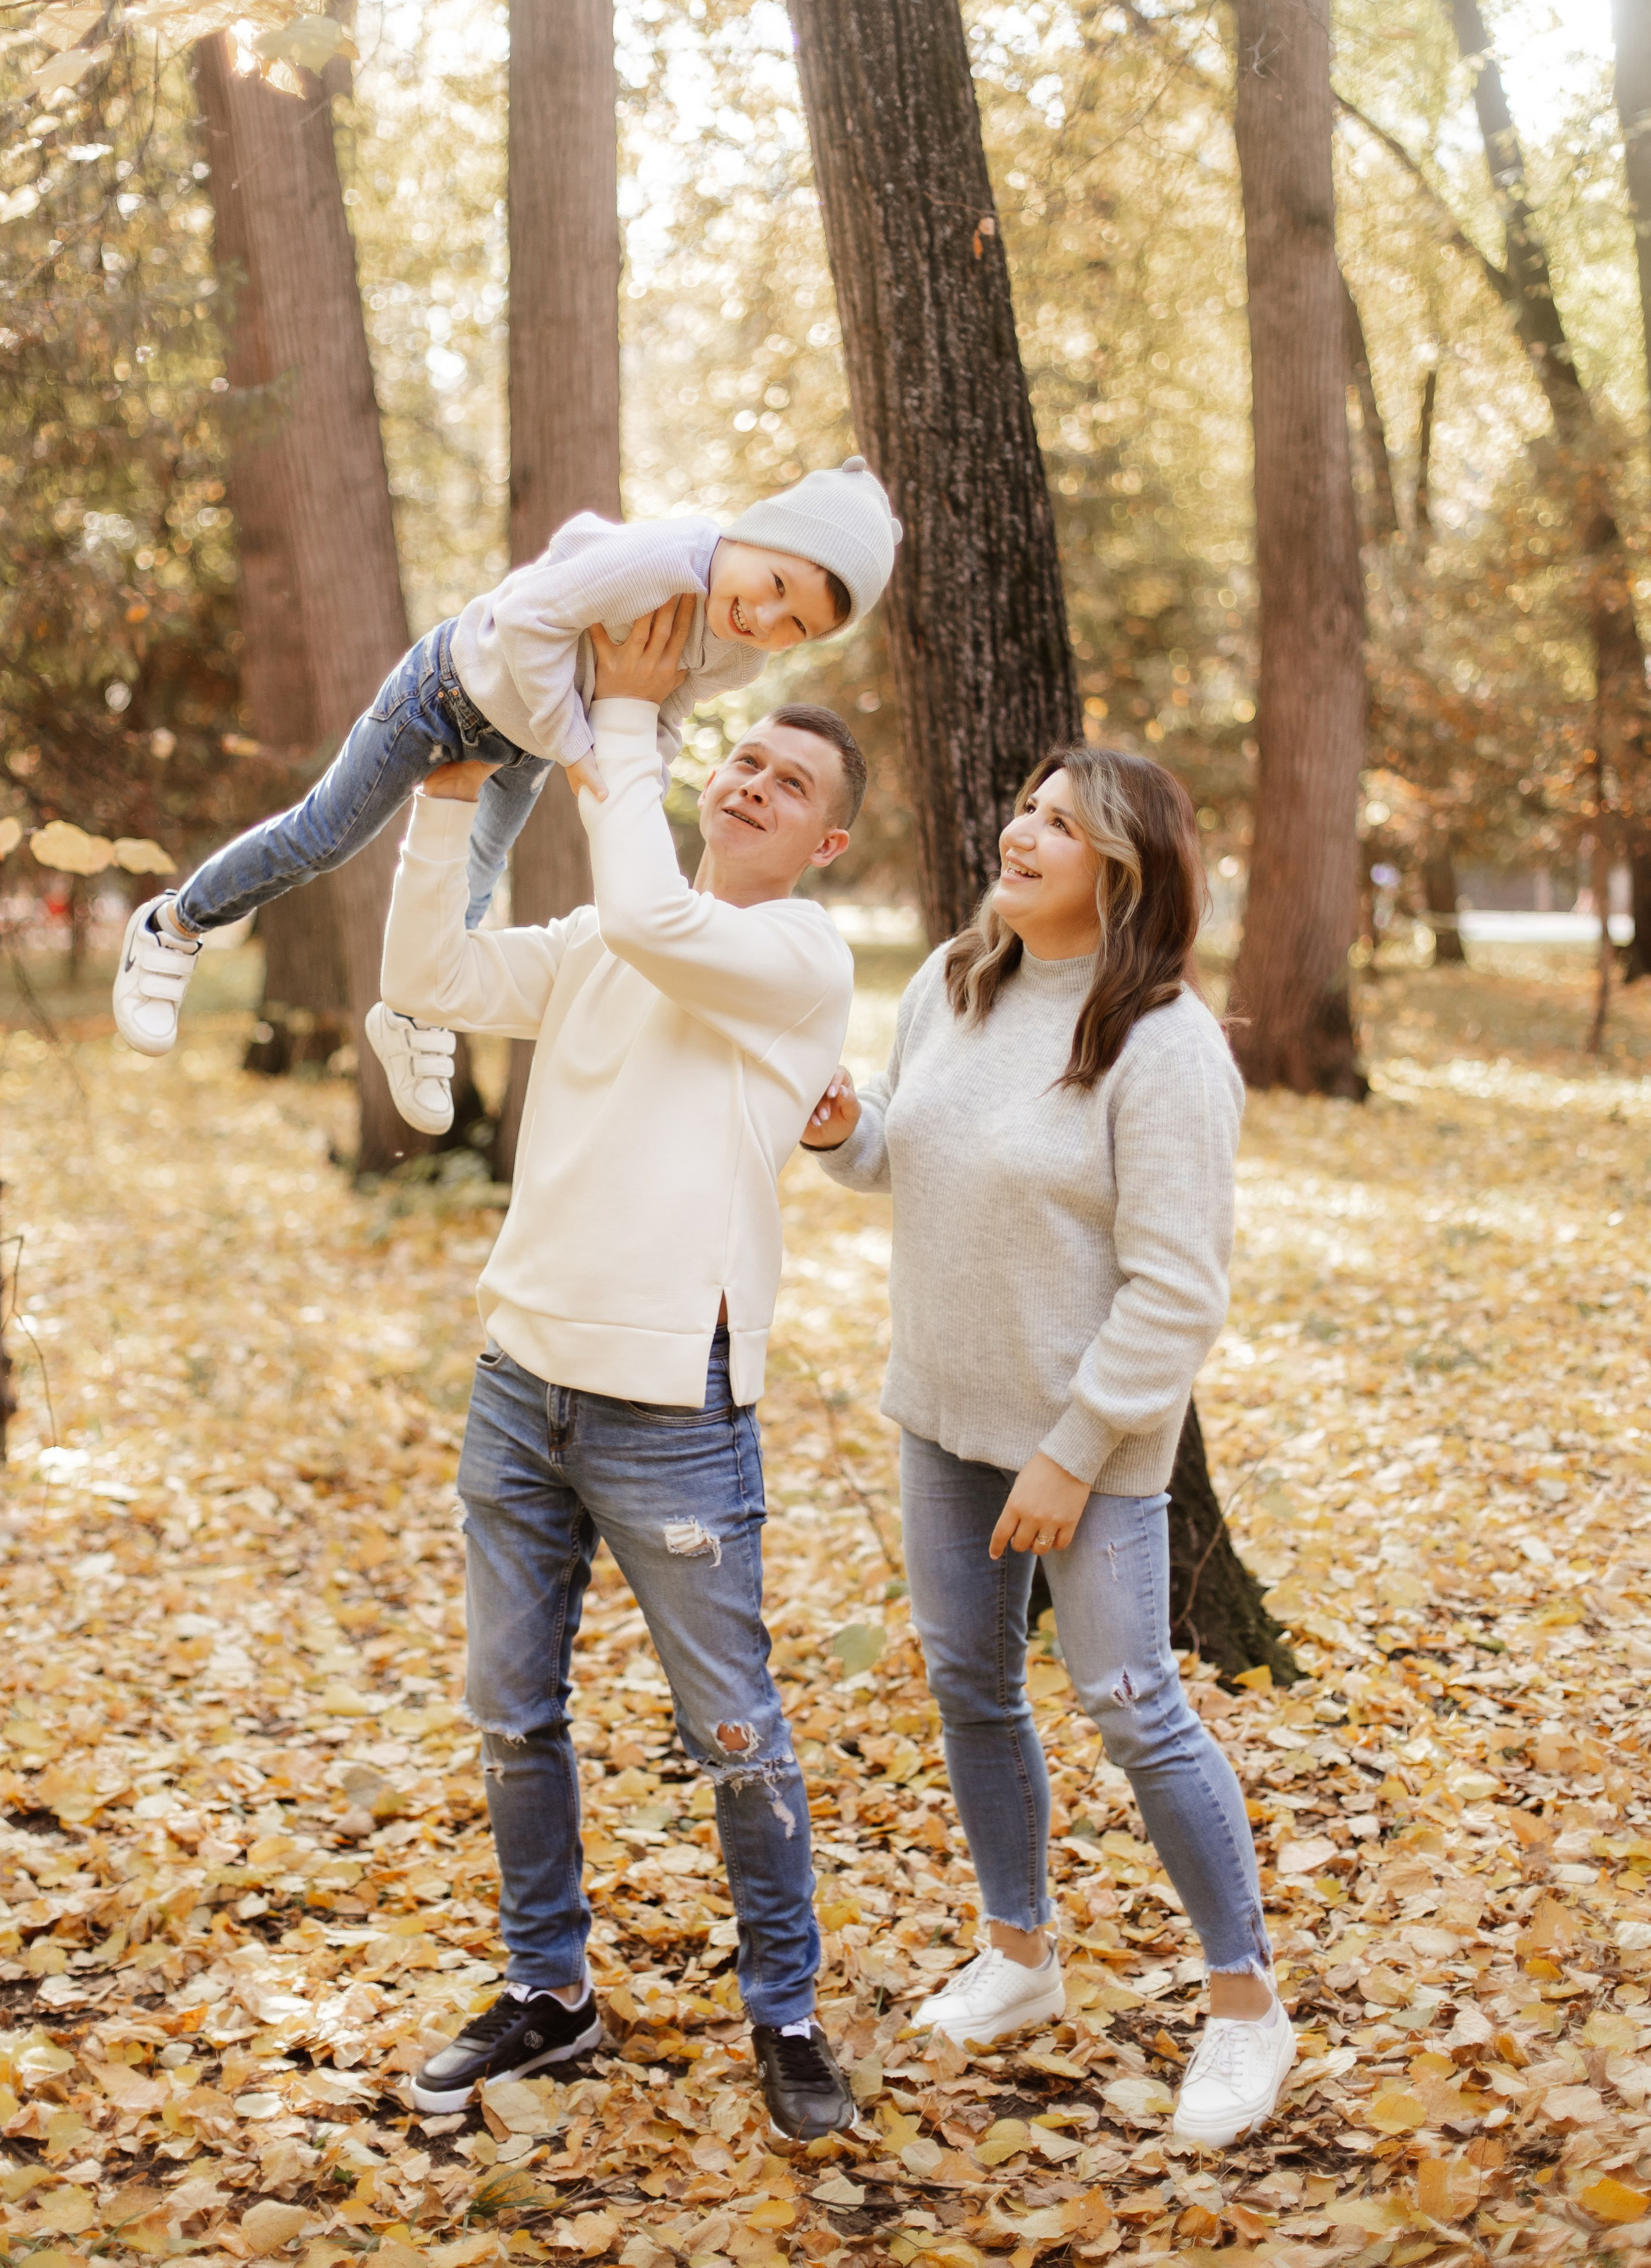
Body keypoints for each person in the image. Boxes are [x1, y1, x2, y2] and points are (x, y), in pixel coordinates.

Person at [381, 598, 864, 2140]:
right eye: (746, 759)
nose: (752, 784)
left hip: (674, 1416)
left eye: (790, 782)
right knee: (511, 1713)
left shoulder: (795, 955)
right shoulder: (602, 937)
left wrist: (626, 721)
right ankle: (550, 1994)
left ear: (826, 843)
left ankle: (784, 2013)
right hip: (519, 1384)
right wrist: (446, 796)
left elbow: (660, 919)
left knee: (732, 1734)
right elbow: (432, 974)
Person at [799, 745, 1295, 2148]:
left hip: (1088, 1447)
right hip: (943, 1413)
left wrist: (1071, 1452)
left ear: (1121, 872)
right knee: (970, 1683)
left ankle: (1247, 2008)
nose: (1020, 832)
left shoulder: (1164, 1046)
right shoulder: (954, 983)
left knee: (1133, 1700)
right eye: (1026, 807)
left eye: (1060, 825)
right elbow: (905, 1158)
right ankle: (1018, 1957)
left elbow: (1177, 1291)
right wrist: (844, 1129)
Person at [111, 458, 900, 1135]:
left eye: (796, 627)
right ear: (752, 532)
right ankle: (174, 925)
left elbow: (666, 711)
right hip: (449, 691)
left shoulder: (741, 657)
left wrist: (635, 788)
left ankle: (412, 1014)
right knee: (324, 836)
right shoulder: (662, 560)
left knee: (478, 881)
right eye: (775, 584)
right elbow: (527, 620)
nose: (766, 619)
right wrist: (579, 751)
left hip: (525, 738)